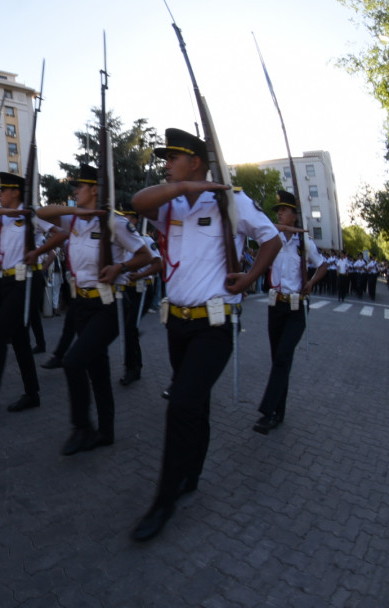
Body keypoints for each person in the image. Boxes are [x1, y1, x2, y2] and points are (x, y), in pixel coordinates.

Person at [129, 128, 281, 541]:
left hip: (214, 325)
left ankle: (163, 502)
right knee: (193, 403)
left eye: (173, 158)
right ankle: (191, 473)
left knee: (180, 406)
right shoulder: (171, 202)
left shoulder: (231, 201)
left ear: (195, 159)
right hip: (176, 323)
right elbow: (137, 202)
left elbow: (272, 237)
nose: (166, 165)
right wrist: (185, 186)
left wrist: (250, 276)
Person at [38, 165, 153, 452]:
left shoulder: (114, 222)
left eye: (80, 186)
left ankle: (82, 428)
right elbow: (39, 213)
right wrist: (77, 212)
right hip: (82, 304)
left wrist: (121, 267)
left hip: (109, 304)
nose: (74, 190)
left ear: (95, 190)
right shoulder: (74, 221)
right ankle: (105, 431)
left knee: (73, 361)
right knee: (96, 367)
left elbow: (146, 255)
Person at [0, 172, 63, 416]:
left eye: (3, 191)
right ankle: (32, 394)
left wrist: (38, 251)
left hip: (27, 280)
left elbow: (61, 234)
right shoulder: (4, 219)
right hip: (7, 281)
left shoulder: (32, 216)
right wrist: (1, 213)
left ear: (15, 192)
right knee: (18, 340)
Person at [253, 191, 327, 434]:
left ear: (295, 216)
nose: (280, 213)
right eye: (279, 211)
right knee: (278, 360)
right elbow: (258, 226)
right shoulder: (272, 238)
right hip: (276, 306)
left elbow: (323, 265)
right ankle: (278, 412)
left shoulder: (303, 243)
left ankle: (268, 411)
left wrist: (312, 282)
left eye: (284, 210)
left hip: (296, 308)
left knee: (283, 356)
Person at [118, 206, 163, 386]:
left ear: (135, 221)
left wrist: (141, 275)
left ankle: (134, 368)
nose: (124, 221)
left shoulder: (145, 240)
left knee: (130, 328)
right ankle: (132, 364)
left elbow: (158, 264)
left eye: (127, 217)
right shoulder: (121, 240)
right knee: (127, 328)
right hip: (126, 289)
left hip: (142, 289)